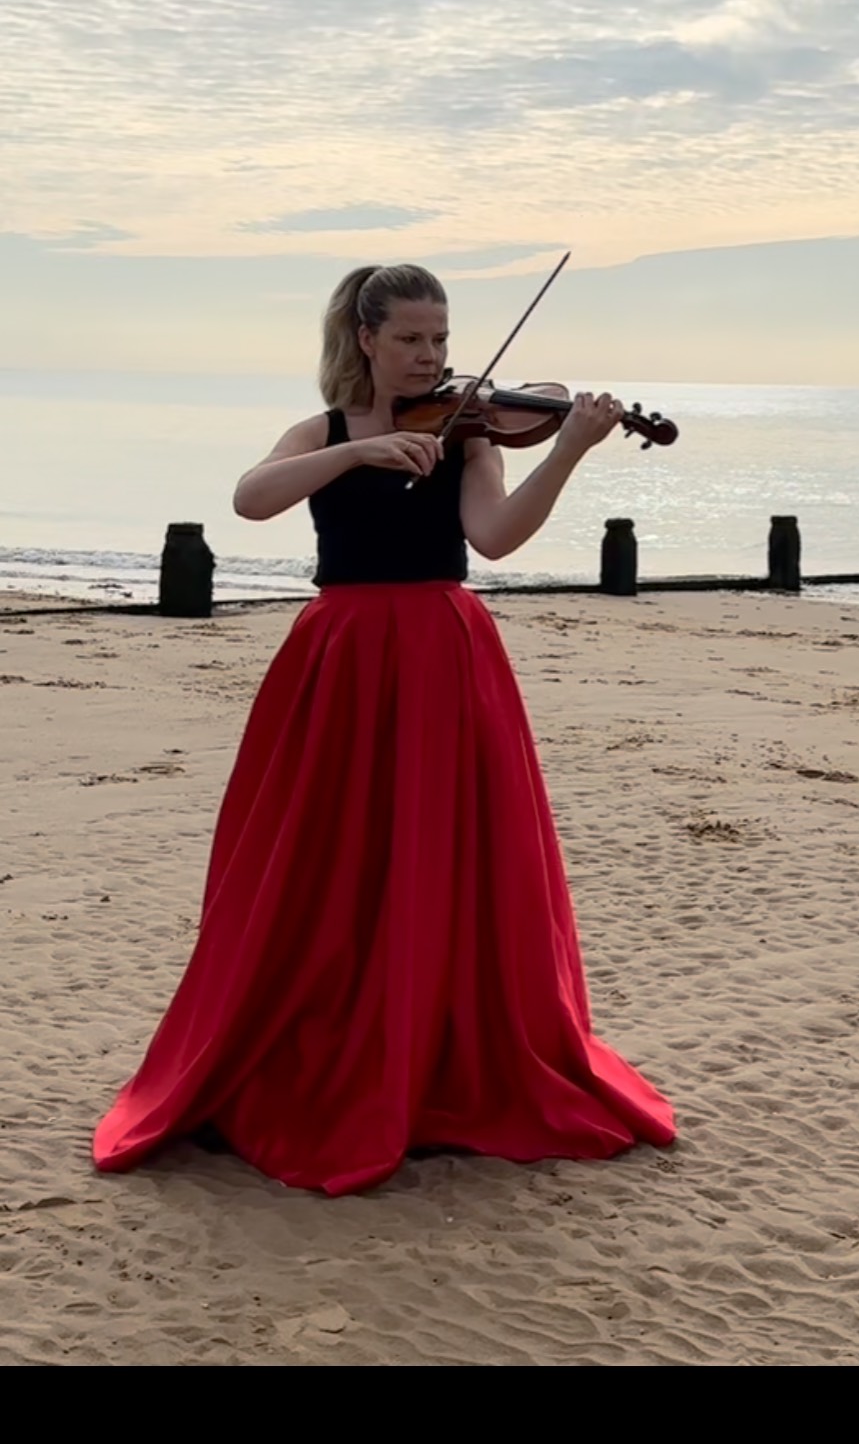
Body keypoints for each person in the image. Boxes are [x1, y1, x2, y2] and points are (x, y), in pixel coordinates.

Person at [93, 263, 676, 1196]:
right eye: (411, 338)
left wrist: (566, 448)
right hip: (341, 652)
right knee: (324, 855)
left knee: (449, 854)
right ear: (365, 338)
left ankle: (435, 1049)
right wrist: (354, 456)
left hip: (445, 650)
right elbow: (251, 496)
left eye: (441, 338)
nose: (433, 357)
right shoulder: (323, 430)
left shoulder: (472, 431)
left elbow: (496, 540)